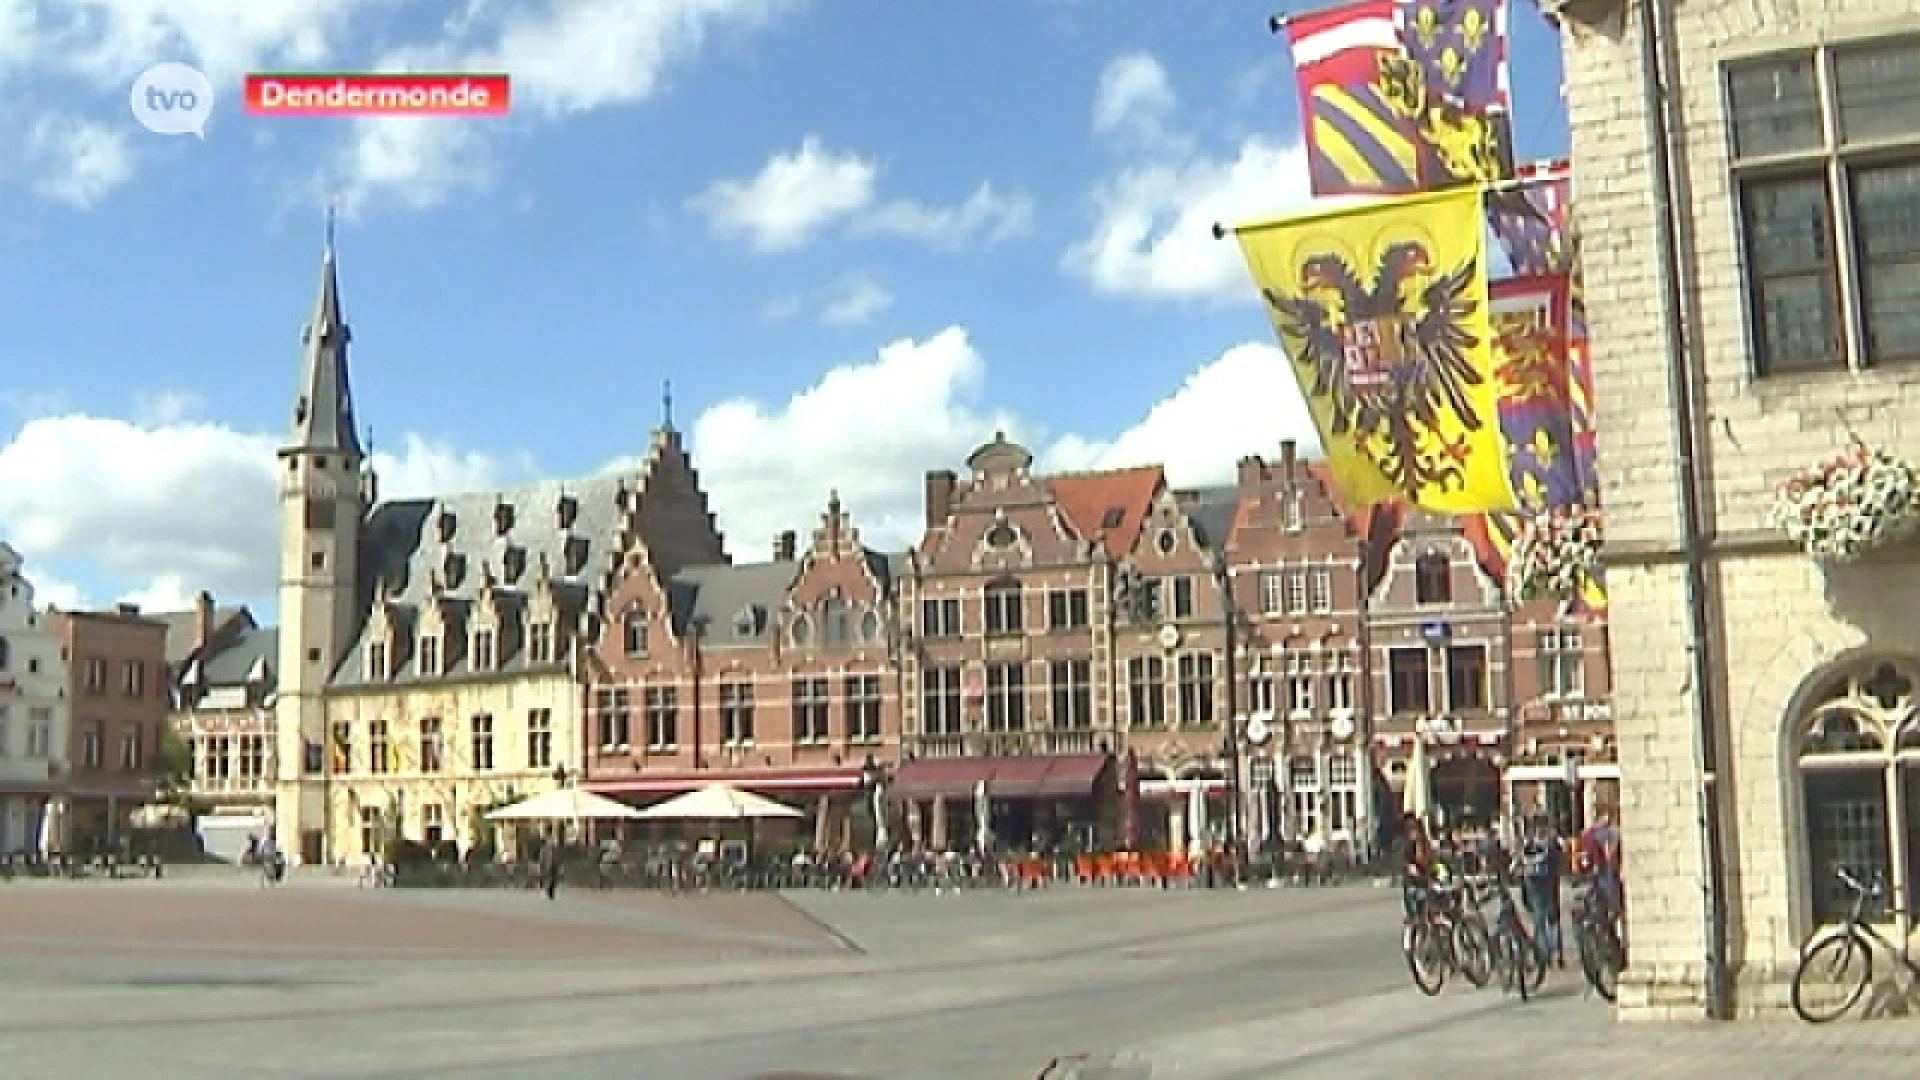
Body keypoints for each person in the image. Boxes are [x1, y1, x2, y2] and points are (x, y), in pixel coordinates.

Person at [1518, 815, 1565, 967]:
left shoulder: (1529, 842)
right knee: (1551, 918)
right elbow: (1559, 859)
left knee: (1539, 918)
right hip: (1549, 882)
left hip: (1534, 883)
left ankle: (1545, 953)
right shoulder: (1552, 841)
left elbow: (1521, 860)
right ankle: (1553, 953)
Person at [1578, 808, 1624, 920]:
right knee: (1609, 895)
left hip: (1593, 870)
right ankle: (1611, 913)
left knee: (1602, 897)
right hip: (1602, 869)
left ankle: (1606, 916)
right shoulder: (1606, 832)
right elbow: (1606, 852)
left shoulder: (1588, 833)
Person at [537, 828, 563, 900]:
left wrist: (560, 865)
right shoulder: (544, 849)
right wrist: (540, 866)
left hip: (555, 865)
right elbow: (541, 858)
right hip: (547, 866)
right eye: (550, 841)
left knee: (555, 879)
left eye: (552, 840)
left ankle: (550, 891)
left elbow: (558, 857)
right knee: (548, 879)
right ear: (547, 841)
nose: (551, 841)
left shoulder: (555, 849)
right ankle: (549, 892)